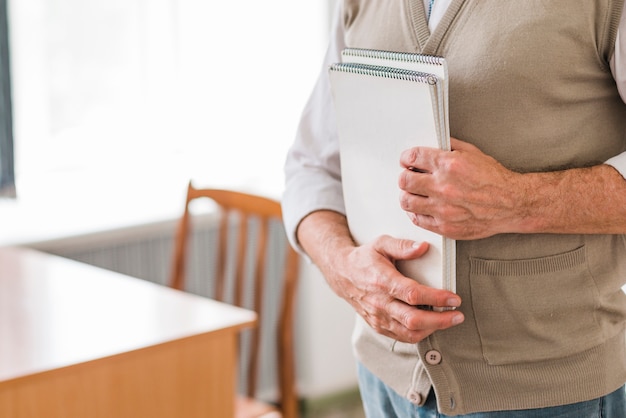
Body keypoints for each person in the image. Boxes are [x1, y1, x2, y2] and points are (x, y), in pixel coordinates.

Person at [282, 0, 626, 416]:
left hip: (550, 393)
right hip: (384, 382)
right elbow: (313, 166)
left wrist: (516, 200)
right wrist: (343, 267)